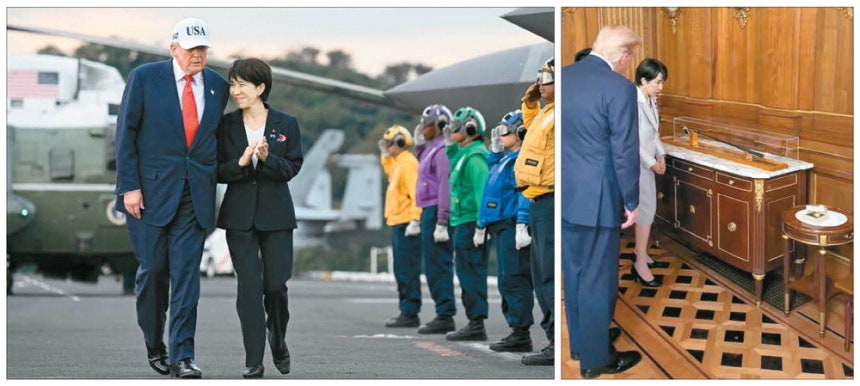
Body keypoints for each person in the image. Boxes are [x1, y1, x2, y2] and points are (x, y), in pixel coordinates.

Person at [114, 17, 229, 378]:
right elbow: (125, 134)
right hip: (147, 195)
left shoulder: (217, 86)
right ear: (174, 48)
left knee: (186, 277)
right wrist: (129, 186)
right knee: (152, 272)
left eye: (203, 49)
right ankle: (154, 343)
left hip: (195, 196)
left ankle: (183, 356)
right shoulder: (144, 78)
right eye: (191, 49)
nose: (198, 55)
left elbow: (213, 140)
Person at [561, 25, 644, 378]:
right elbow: (624, 150)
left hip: (566, 194)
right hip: (598, 198)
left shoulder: (563, 78)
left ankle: (583, 343)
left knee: (575, 275)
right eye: (629, 58)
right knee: (598, 279)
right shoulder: (620, 88)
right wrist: (632, 200)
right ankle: (596, 360)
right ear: (623, 56)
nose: (628, 64)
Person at [216, 58, 303, 378]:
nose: (235, 91)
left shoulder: (287, 124)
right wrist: (240, 164)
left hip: (277, 216)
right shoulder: (225, 125)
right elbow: (216, 171)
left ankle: (277, 337)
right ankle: (254, 359)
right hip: (239, 218)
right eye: (232, 84)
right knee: (249, 288)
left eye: (242, 85)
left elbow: (292, 167)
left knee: (276, 286)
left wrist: (268, 159)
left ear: (260, 88)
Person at [479, 110, 534, 352]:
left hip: (512, 224)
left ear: (520, 133)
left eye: (505, 132)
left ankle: (521, 333)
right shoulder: (506, 159)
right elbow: (493, 179)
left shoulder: (521, 159)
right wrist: (494, 153)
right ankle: (516, 329)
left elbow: (524, 191)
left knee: (514, 277)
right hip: (500, 225)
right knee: (505, 279)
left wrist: (522, 222)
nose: (500, 136)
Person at [515, 57, 555, 366]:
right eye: (540, 78)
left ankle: (557, 341)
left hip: (551, 198)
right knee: (541, 274)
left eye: (546, 79)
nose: (540, 84)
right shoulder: (546, 112)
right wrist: (529, 105)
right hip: (538, 199)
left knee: (549, 274)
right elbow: (532, 132)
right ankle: (553, 337)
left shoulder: (561, 113)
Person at [443, 107, 489, 341]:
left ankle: (476, 323)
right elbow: (452, 162)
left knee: (471, 273)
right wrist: (450, 144)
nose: (452, 132)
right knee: (464, 272)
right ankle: (474, 321)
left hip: (471, 222)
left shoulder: (475, 157)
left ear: (470, 129)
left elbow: (482, 193)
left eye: (456, 128)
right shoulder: (465, 153)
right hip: (462, 220)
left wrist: (481, 226)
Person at [412, 104, 458, 335]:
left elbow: (444, 186)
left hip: (436, 210)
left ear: (439, 126)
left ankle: (445, 313)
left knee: (438, 264)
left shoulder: (441, 151)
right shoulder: (433, 149)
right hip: (428, 210)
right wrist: (419, 146)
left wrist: (442, 220)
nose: (423, 129)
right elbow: (425, 170)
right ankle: (443, 311)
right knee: (432, 265)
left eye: (427, 125)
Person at [378, 125, 423, 328]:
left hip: (407, 223)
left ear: (400, 143)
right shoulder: (398, 163)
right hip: (398, 222)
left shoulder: (408, 164)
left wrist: (415, 219)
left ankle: (410, 311)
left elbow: (416, 193)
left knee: (407, 269)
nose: (387, 146)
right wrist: (385, 157)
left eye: (389, 143)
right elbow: (390, 174)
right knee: (401, 269)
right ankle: (406, 310)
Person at [632, 58, 669, 288]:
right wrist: (651, 163)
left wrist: (661, 154)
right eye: (657, 82)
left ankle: (641, 253)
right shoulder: (632, 102)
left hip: (649, 163)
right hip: (636, 165)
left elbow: (654, 134)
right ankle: (639, 264)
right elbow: (631, 141)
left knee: (647, 211)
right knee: (645, 212)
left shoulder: (650, 99)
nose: (660, 87)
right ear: (644, 80)